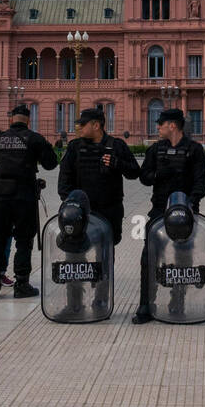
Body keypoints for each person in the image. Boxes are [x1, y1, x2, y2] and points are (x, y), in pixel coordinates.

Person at [56, 108, 141, 312]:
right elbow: (64, 180)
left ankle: (101, 301)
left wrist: (116, 163)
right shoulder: (75, 147)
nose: (79, 128)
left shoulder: (116, 146)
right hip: (80, 215)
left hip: (108, 211)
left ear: (96, 125)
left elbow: (135, 173)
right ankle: (74, 303)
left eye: (83, 124)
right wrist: (70, 204)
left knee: (104, 257)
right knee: (74, 258)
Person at [0, 104, 58, 299]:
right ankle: (22, 284)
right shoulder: (34, 139)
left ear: (11, 119)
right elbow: (51, 164)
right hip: (24, 196)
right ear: (28, 120)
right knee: (24, 241)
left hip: (1, 196)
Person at [133, 108, 205, 324]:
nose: (157, 127)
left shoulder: (193, 150)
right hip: (158, 211)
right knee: (149, 257)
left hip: (185, 212)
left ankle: (178, 302)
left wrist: (191, 204)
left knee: (182, 259)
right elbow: (144, 177)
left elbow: (201, 182)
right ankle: (147, 304)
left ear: (172, 125)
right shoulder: (156, 150)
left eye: (161, 124)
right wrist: (159, 174)